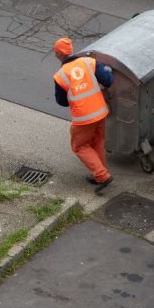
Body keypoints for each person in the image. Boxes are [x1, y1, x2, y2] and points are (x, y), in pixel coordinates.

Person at [53, 37, 114, 193]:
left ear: (58, 55)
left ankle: (102, 176)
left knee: (79, 146)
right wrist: (107, 69)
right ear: (71, 50)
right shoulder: (88, 62)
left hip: (83, 118)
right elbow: (108, 80)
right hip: (100, 111)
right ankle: (100, 173)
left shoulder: (60, 76)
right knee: (97, 143)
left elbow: (61, 101)